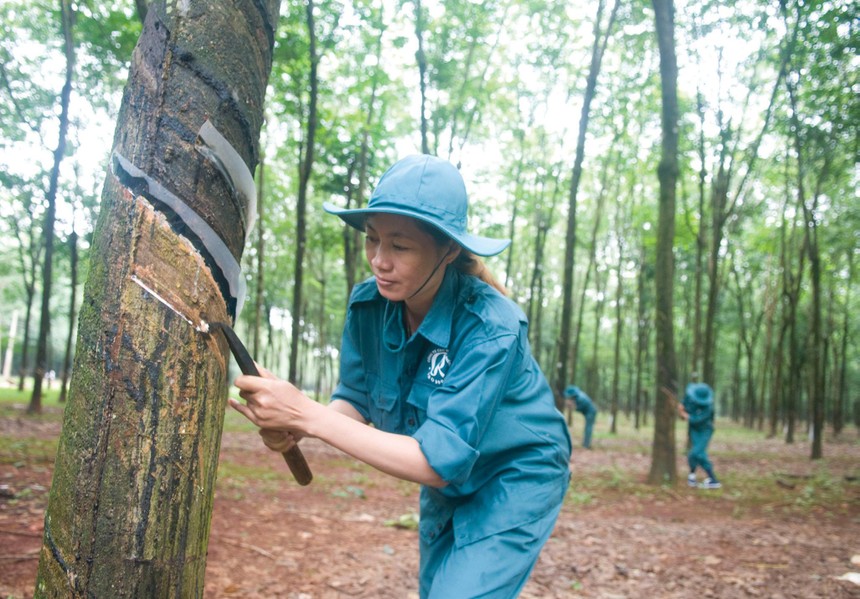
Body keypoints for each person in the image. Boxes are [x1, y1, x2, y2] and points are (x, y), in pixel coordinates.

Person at [230, 154, 572, 598]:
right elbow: (355, 398)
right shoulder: (368, 306)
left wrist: (309, 415)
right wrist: (296, 423)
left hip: (515, 473)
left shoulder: (490, 326)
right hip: (449, 482)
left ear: (448, 249)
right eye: (372, 240)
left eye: (400, 246)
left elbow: (435, 461)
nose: (379, 260)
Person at [677, 379, 721, 489]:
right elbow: (684, 404)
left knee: (696, 453)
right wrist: (681, 408)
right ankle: (692, 475)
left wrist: (685, 415)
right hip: (694, 430)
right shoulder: (690, 396)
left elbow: (696, 419)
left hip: (705, 431)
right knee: (697, 454)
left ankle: (713, 479)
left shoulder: (708, 407)